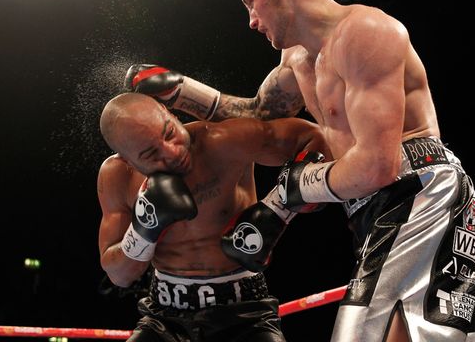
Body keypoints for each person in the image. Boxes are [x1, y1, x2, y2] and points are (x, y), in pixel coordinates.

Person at [124, 0, 475, 342]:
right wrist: (181, 92)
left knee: (364, 332)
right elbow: (256, 114)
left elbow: (378, 164)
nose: (251, 20)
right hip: (373, 205)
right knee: (428, 332)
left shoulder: (365, 32)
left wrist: (290, 191)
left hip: (418, 187)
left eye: (250, 0)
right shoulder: (298, 59)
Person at [97, 92, 329, 342]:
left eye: (169, 132)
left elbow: (317, 138)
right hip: (164, 317)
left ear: (171, 114)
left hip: (245, 312)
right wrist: (144, 229)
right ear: (127, 159)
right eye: (151, 154)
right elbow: (119, 275)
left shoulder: (223, 141)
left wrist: (277, 208)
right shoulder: (117, 175)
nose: (172, 152)